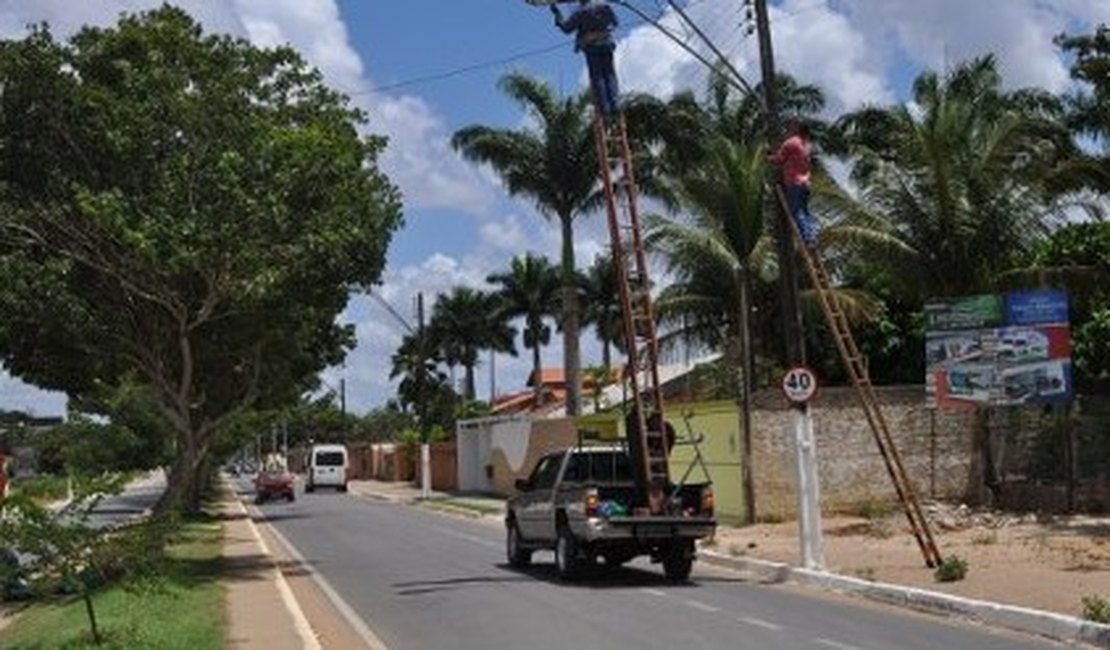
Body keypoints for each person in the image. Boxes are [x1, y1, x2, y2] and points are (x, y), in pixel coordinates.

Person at [551, 0, 620, 117]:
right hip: (606, 43)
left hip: (592, 47)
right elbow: (615, 22)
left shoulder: (580, 13)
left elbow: (566, 29)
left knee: (598, 77)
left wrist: (557, 14)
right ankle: (615, 104)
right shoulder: (604, 6)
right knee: (609, 75)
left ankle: (605, 109)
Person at [768, 119, 819, 246]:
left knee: (797, 211)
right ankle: (813, 235)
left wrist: (767, 157)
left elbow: (779, 160)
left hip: (794, 183)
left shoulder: (790, 143)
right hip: (806, 183)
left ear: (796, 130)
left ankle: (808, 238)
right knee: (805, 211)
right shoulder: (808, 145)